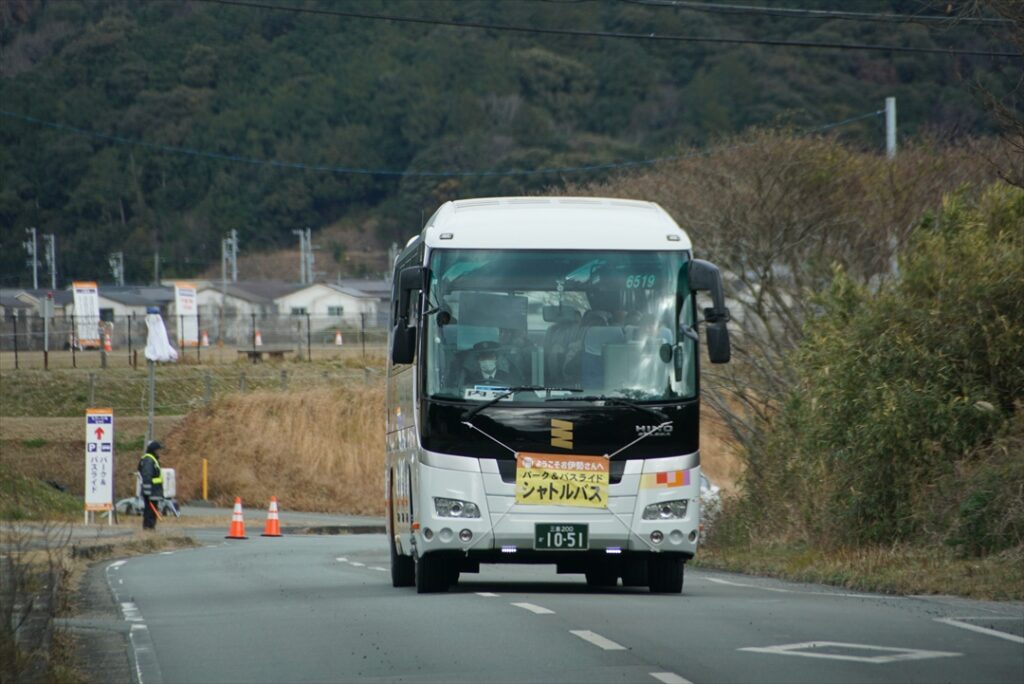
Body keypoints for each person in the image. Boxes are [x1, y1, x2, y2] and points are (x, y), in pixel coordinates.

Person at [138, 440, 165, 530]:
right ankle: (148, 528)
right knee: (149, 511)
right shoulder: (149, 460)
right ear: (154, 450)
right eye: (158, 450)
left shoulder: (152, 459)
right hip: (151, 491)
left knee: (153, 511)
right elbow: (147, 476)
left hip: (155, 491)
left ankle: (151, 527)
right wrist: (147, 492)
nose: (159, 452)